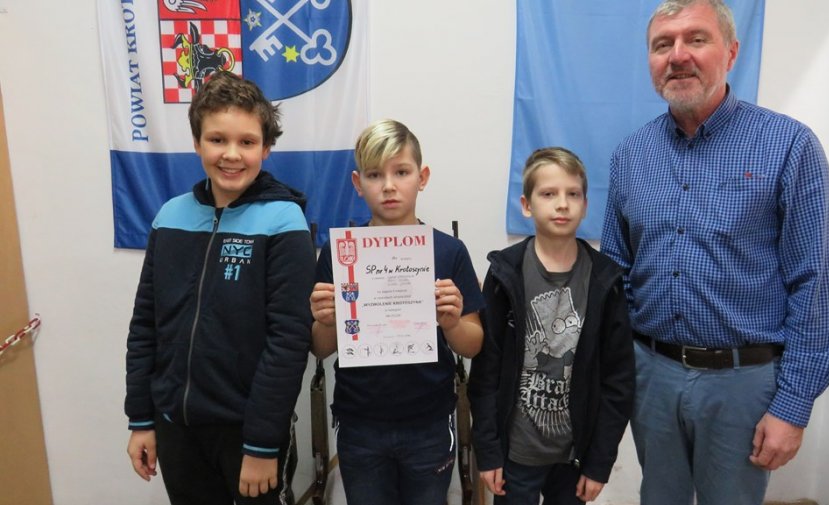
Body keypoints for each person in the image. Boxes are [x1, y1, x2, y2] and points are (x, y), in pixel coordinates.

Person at [600, 1, 829, 504]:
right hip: (652, 377)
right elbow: (616, 274)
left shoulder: (788, 147)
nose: (678, 56)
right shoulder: (631, 156)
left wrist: (793, 405)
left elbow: (815, 286)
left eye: (696, 39)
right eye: (662, 45)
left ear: (731, 52)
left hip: (743, 384)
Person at [124, 71, 316, 505]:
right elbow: (144, 326)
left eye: (247, 142)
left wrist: (262, 444)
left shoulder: (284, 221)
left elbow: (288, 340)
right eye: (217, 139)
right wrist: (141, 418)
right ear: (197, 143)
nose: (232, 154)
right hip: (175, 428)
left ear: (266, 149)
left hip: (248, 434)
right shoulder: (169, 217)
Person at [308, 118, 485, 505]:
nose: (388, 186)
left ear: (422, 177)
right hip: (359, 422)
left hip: (429, 421)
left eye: (401, 172)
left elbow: (472, 345)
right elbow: (320, 348)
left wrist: (452, 323)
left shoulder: (449, 251)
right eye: (375, 175)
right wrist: (328, 320)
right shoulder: (341, 254)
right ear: (358, 183)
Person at [469, 147, 635, 505]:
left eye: (572, 194)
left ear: (585, 205)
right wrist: (488, 451)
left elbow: (618, 381)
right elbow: (486, 372)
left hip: (575, 456)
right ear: (526, 205)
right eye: (548, 194)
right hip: (515, 455)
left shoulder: (605, 280)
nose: (562, 204)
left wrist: (600, 462)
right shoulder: (504, 275)